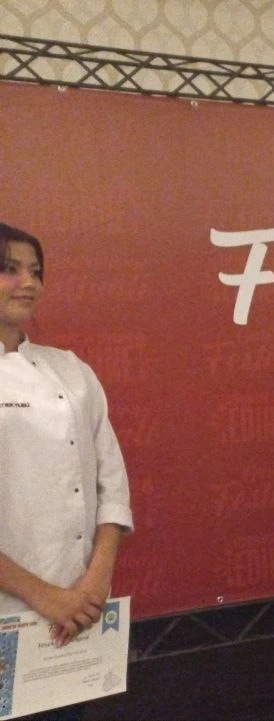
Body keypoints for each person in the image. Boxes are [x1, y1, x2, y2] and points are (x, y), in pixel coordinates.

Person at [0, 224, 134, 721]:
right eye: (10, 269)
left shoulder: (71, 370)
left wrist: (94, 582)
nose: (28, 283)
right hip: (19, 608)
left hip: (75, 612)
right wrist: (45, 596)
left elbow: (111, 482)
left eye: (35, 271)